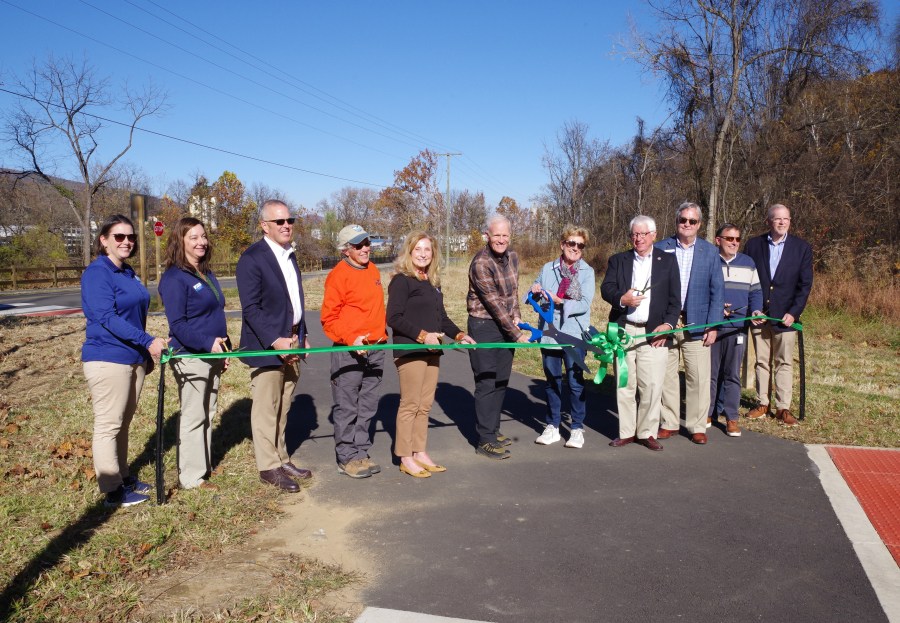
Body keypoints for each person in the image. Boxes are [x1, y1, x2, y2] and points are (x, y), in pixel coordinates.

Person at [81, 214, 168, 507]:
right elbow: (106, 318)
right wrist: (147, 341)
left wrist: (144, 352)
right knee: (109, 423)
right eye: (119, 237)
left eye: (130, 237)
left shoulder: (127, 272)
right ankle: (111, 490)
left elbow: (135, 316)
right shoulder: (97, 273)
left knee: (123, 422)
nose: (126, 242)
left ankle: (124, 477)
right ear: (104, 240)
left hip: (133, 359)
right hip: (107, 358)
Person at [236, 200, 312, 492]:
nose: (286, 225)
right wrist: (274, 340)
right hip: (267, 345)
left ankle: (282, 457)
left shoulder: (290, 255)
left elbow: (295, 301)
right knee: (267, 407)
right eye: (279, 221)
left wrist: (300, 333)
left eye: (289, 220)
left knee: (284, 404)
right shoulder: (252, 258)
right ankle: (268, 466)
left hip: (292, 341)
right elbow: (251, 308)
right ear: (264, 226)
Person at [386, 232, 476, 478]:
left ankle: (419, 452)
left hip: (433, 350)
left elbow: (442, 318)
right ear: (410, 252)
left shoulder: (432, 282)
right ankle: (405, 456)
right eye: (418, 249)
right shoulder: (401, 281)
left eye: (427, 250)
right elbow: (393, 318)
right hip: (411, 350)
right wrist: (422, 335)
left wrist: (459, 335)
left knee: (424, 406)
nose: (423, 254)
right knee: (410, 405)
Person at [158, 217, 229, 490]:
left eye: (203, 237)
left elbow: (214, 313)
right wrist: (207, 342)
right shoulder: (175, 277)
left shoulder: (205, 272)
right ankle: (190, 476)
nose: (201, 242)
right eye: (194, 238)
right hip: (190, 356)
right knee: (193, 415)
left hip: (212, 354)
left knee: (208, 411)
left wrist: (222, 347)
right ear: (181, 242)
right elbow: (178, 326)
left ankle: (203, 466)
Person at [600, 215, 681, 451]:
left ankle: (646, 432)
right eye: (635, 234)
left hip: (654, 333)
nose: (639, 238)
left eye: (643, 234)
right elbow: (607, 288)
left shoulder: (667, 261)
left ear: (654, 235)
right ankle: (626, 432)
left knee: (652, 385)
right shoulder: (618, 260)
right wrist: (620, 298)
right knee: (625, 384)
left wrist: (667, 326)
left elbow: (676, 301)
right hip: (624, 331)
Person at [654, 202, 724, 445]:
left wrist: (714, 325)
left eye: (692, 221)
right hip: (667, 322)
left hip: (698, 322)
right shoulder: (661, 248)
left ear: (699, 224)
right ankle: (669, 422)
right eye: (683, 220)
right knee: (667, 375)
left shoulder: (710, 252)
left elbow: (718, 291)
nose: (686, 224)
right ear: (676, 221)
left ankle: (696, 425)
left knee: (698, 377)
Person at [321, 224, 388, 479]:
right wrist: (351, 339)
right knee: (347, 406)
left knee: (368, 406)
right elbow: (328, 319)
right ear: (345, 249)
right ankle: (346, 457)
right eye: (358, 245)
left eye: (367, 243)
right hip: (349, 351)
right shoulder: (338, 275)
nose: (365, 249)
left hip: (377, 348)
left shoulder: (372, 270)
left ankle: (361, 452)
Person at [466, 215, 531, 460]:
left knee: (502, 380)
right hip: (483, 326)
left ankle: (493, 430)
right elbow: (493, 304)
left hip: (504, 325)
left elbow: (513, 292)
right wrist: (517, 335)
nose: (501, 240)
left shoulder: (512, 256)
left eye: (505, 235)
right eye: (496, 235)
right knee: (487, 382)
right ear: (487, 236)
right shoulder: (481, 263)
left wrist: (517, 318)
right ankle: (484, 440)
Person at [744, 204, 813, 427]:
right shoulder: (754, 245)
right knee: (762, 361)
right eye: (777, 219)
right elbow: (747, 279)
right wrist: (752, 308)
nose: (782, 222)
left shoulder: (801, 248)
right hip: (759, 315)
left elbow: (805, 285)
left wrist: (794, 313)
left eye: (786, 219)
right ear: (769, 221)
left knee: (784, 362)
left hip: (786, 318)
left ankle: (783, 407)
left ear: (790, 221)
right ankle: (762, 403)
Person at [531, 226, 595, 449]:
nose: (575, 248)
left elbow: (585, 303)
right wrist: (536, 291)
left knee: (576, 383)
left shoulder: (587, 272)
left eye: (580, 245)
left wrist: (561, 302)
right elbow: (533, 299)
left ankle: (577, 428)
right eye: (571, 243)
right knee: (551, 381)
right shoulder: (548, 268)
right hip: (549, 333)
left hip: (574, 334)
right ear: (562, 244)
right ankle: (553, 426)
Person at [708, 224, 764, 438]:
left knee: (732, 374)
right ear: (718, 240)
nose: (734, 242)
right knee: (711, 374)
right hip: (713, 327)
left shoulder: (748, 263)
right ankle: (708, 413)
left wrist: (756, 310)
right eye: (729, 238)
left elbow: (755, 292)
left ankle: (731, 418)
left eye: (737, 239)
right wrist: (716, 307)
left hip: (738, 328)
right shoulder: (710, 261)